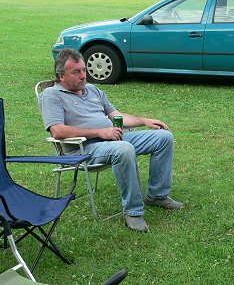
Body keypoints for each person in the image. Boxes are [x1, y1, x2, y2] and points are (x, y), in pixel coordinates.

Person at [38, 48, 183, 232]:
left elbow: (116, 115)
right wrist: (100, 132)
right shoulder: (52, 95)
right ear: (61, 76)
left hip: (112, 138)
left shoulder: (92, 90)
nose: (84, 76)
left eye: (84, 70)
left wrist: (144, 121)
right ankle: (133, 211)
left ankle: (157, 195)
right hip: (83, 149)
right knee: (124, 148)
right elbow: (57, 131)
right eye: (76, 72)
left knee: (164, 137)